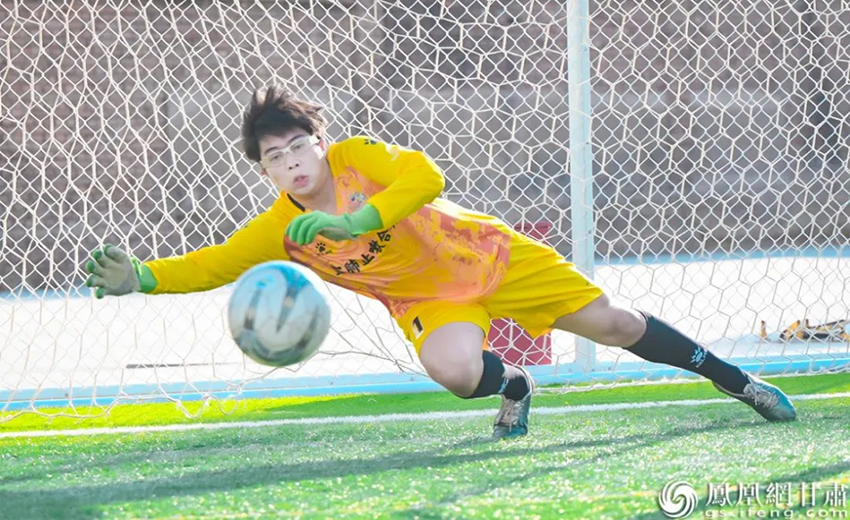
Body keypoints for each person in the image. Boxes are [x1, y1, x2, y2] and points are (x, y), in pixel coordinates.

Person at [83, 85, 797, 439]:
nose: (292, 161)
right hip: (431, 302)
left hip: (488, 254)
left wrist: (356, 220)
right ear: (265, 170)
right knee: (455, 374)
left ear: (319, 143)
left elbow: (426, 175)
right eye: (276, 157)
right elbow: (214, 264)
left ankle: (736, 380)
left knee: (615, 325)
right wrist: (141, 276)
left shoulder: (358, 157)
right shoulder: (282, 230)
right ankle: (515, 383)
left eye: (299, 145)